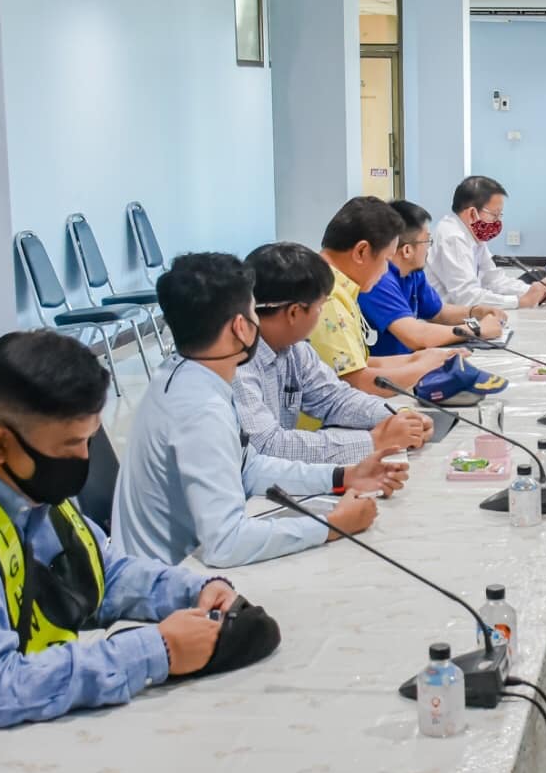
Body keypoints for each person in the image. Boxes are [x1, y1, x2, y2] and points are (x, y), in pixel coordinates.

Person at [0, 330, 240, 737]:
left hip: (25, 728)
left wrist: (191, 591)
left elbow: (99, 575)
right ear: (0, 446)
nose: (84, 459)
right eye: (71, 445)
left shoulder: (25, 489)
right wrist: (158, 649)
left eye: (88, 441)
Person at [114, 252, 395, 569]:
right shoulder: (199, 409)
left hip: (184, 563)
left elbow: (249, 468)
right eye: (254, 312)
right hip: (168, 577)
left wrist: (342, 476)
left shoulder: (191, 373)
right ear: (240, 327)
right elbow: (226, 544)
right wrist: (332, 525)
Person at [238, 240, 436, 461]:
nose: (322, 313)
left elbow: (335, 398)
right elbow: (267, 446)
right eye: (320, 306)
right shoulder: (238, 362)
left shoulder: (295, 350)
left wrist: (398, 415)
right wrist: (374, 441)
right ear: (294, 312)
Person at [312, 196, 469, 395]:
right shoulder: (328, 298)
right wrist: (425, 368)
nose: (387, 270)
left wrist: (414, 360)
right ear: (361, 251)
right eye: (387, 259)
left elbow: (356, 363)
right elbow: (357, 383)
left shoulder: (335, 284)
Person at [358, 200, 506, 354]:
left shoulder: (412, 272)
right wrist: (477, 329)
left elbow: (438, 312)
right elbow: (416, 336)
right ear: (407, 250)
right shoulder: (378, 280)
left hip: (410, 360)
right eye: (427, 241)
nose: (429, 248)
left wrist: (476, 311)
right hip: (392, 366)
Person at [428, 175, 546, 310]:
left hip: (463, 315)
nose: (498, 222)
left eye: (500, 215)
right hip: (443, 318)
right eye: (495, 215)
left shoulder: (472, 235)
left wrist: (536, 291)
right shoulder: (453, 237)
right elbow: (467, 297)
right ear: (472, 213)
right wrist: (519, 302)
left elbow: (493, 280)